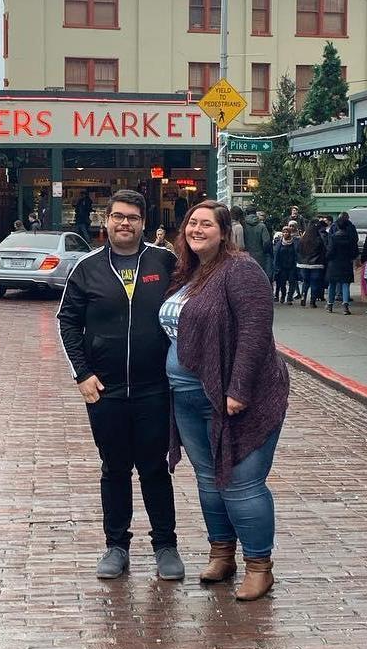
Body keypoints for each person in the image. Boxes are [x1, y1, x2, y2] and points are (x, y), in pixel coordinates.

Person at [160, 200, 289, 601]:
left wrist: (239, 390)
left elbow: (255, 331)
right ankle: (222, 552)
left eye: (206, 224)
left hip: (233, 397)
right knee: (209, 479)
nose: (197, 229)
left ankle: (259, 566)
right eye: (192, 223)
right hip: (186, 395)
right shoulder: (189, 272)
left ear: (224, 230)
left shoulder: (241, 269)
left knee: (240, 481)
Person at [57, 188, 184, 582]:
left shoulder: (166, 262)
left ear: (143, 222)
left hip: (155, 388)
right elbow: (67, 321)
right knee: (114, 469)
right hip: (105, 390)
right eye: (117, 216)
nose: (124, 223)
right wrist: (82, 374)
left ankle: (165, 545)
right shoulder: (88, 267)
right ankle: (116, 546)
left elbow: (191, 309)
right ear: (105, 220)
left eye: (132, 217)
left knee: (154, 469)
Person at [324, 212, 358, 314]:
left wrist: (327, 258)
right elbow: (354, 250)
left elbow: (330, 251)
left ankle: (330, 305)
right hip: (346, 262)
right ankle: (345, 306)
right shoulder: (350, 238)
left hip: (334, 263)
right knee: (345, 284)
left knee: (332, 284)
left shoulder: (334, 237)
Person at [295, 218, 326, 307]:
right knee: (314, 283)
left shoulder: (303, 239)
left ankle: (303, 298)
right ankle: (312, 301)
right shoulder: (318, 239)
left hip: (303, 264)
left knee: (306, 282)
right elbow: (323, 251)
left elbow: (298, 250)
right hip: (316, 264)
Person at [242, 210, 273, 281]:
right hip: (260, 256)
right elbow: (266, 242)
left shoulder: (243, 225)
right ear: (255, 213)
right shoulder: (262, 226)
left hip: (246, 255)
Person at [272, 225, 298, 303]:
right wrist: (276, 266)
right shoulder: (279, 243)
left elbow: (297, 254)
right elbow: (276, 255)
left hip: (292, 266)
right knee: (282, 283)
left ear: (290, 233)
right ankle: (283, 296)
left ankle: (289, 297)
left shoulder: (294, 243)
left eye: (287, 232)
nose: (285, 233)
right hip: (282, 267)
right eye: (284, 232)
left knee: (292, 282)